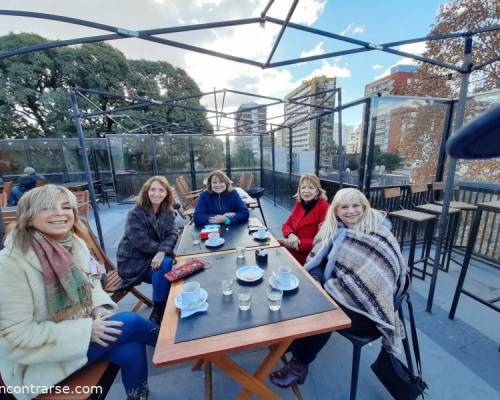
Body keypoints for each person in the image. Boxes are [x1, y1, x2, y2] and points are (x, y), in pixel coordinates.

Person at [0, 185, 157, 400]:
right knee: (129, 322)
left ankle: (140, 396)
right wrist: (85, 331)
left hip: (75, 338)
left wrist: (99, 308)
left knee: (130, 348)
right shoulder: (10, 264)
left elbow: (92, 286)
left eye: (66, 207)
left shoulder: (74, 245)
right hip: (36, 362)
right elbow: (12, 339)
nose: (60, 213)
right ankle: (177, 345)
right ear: (28, 217)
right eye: (47, 208)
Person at [269, 188, 407, 388]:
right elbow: (318, 263)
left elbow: (381, 277)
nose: (350, 211)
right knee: (303, 291)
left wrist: (329, 290)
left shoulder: (378, 232)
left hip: (368, 309)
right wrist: (317, 280)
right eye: (344, 206)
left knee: (325, 310)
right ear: (336, 211)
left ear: (364, 207)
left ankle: (299, 365)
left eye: (355, 206)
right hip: (342, 291)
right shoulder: (332, 230)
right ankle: (294, 341)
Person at [117, 176, 177, 324]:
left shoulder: (167, 211)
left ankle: (162, 308)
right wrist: (164, 251)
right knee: (167, 268)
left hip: (154, 259)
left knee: (170, 269)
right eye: (153, 189)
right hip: (133, 262)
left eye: (161, 190)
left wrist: (162, 252)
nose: (157, 194)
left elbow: (173, 233)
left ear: (167, 194)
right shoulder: (135, 213)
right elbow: (142, 242)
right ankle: (159, 310)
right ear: (146, 191)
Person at [281, 174, 329, 264]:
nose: (306, 191)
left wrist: (297, 243)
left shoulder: (324, 208)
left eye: (311, 188)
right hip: (292, 247)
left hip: (309, 256)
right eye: (303, 187)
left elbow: (322, 241)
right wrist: (291, 235)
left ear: (317, 191)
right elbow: (286, 225)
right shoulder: (300, 203)